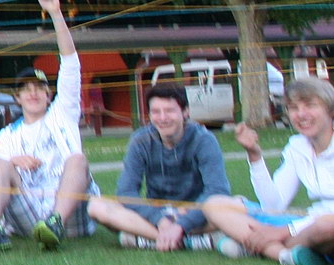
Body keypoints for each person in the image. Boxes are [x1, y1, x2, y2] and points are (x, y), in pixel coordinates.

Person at [0, 0, 95, 252]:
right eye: (26, 89)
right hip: (30, 213)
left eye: (39, 88)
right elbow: (1, 172)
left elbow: (70, 63)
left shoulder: (63, 112)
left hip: (69, 212)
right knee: (0, 164)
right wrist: (13, 161)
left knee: (77, 159)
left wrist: (55, 13)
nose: (33, 93)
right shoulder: (8, 134)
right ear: (17, 98)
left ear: (49, 95)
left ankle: (56, 224)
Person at [201, 76, 334, 265]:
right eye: (294, 108)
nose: (301, 114)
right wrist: (255, 156)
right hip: (309, 224)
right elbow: (273, 205)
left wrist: (283, 231)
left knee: (329, 225)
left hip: (327, 224)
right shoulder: (297, 146)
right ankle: (286, 255)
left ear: (330, 110)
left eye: (310, 106)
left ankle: (250, 244)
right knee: (216, 205)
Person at [89, 84, 229, 251]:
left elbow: (217, 191)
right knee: (96, 206)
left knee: (235, 207)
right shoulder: (141, 140)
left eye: (169, 111)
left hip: (194, 212)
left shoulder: (204, 140)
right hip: (157, 214)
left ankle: (147, 238)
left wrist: (182, 224)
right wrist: (159, 219)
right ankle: (185, 241)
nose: (162, 118)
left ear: (185, 112)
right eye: (156, 112)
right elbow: (126, 192)